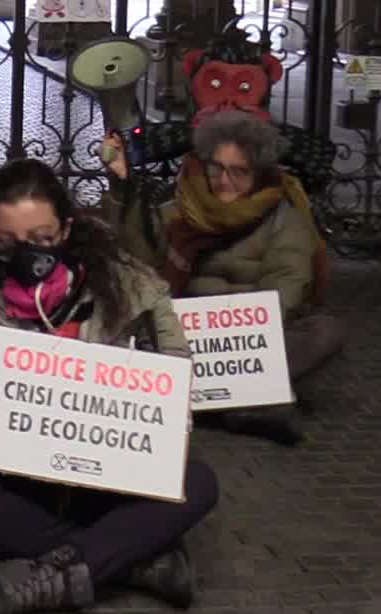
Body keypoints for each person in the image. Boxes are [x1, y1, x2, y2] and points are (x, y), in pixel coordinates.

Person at [0, 159, 219, 614]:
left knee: (198, 482)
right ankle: (131, 561)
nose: (27, 253)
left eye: (42, 238)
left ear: (66, 228)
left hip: (111, 479)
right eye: (7, 242)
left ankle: (45, 576)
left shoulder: (129, 285)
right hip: (14, 479)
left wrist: (162, 416)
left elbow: (177, 368)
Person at [102, 110, 340, 446]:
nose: (225, 180)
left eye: (239, 171)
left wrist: (237, 333)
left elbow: (287, 287)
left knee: (324, 332)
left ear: (258, 173)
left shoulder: (283, 218)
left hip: (245, 340)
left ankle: (209, 395)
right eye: (217, 167)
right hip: (181, 331)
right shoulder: (180, 209)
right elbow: (137, 261)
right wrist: (119, 187)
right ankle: (241, 402)